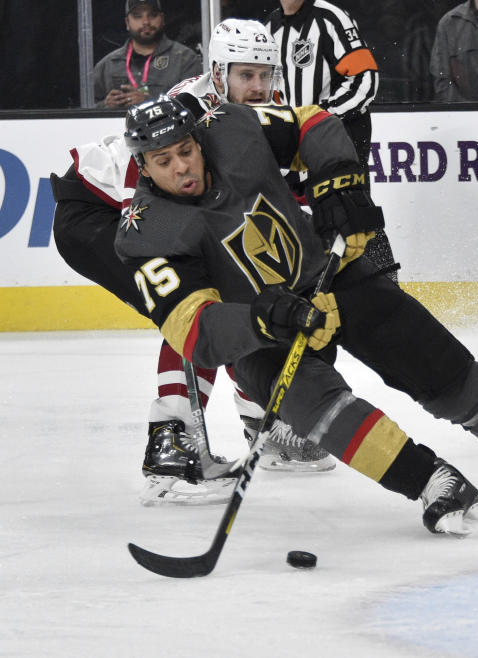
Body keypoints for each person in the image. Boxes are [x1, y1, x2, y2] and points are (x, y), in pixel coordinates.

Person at [112, 93, 478, 535]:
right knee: (320, 407)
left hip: (331, 275)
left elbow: (315, 122)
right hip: (264, 335)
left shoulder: (234, 126)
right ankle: (432, 482)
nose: (182, 167)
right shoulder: (147, 233)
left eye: (185, 151)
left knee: (447, 375)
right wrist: (263, 318)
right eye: (163, 160)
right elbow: (192, 330)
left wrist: (338, 181)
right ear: (143, 167)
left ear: (198, 140)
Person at [52, 20, 336, 508]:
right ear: (218, 73)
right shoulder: (187, 112)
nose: (259, 87)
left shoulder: (247, 114)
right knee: (195, 304)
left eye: (266, 75)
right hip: (98, 217)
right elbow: (141, 198)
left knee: (241, 289)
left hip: (125, 213)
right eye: (246, 75)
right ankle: (171, 453)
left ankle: (260, 422)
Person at [264, 0, 397, 281]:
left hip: (338, 131)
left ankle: (388, 289)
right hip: (294, 139)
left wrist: (322, 119)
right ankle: (322, 291)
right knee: (294, 216)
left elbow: (365, 79)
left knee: (352, 212)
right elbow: (271, 91)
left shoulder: (329, 17)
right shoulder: (270, 27)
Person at [92, 0, 202, 109]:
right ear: (127, 23)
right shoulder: (107, 65)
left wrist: (149, 102)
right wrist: (105, 106)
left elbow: (197, 107)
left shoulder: (185, 60)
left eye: (153, 15)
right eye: (137, 16)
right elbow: (85, 113)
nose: (146, 22)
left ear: (162, 19)